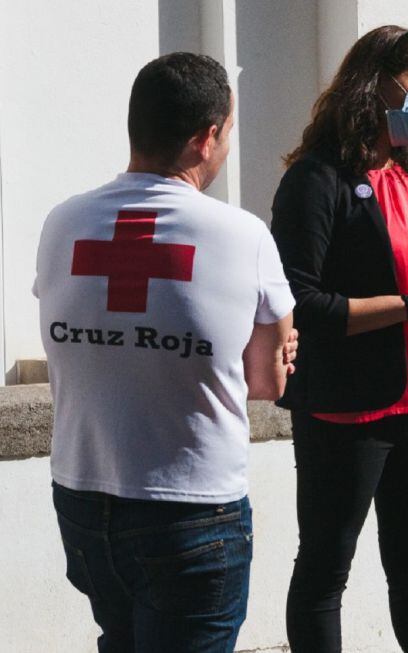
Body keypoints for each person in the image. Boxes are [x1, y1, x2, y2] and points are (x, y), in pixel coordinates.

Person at [35, 52, 298, 652]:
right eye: (228, 131)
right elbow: (266, 381)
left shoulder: (62, 222)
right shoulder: (242, 235)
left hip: (83, 497)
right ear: (207, 138)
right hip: (192, 509)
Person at [271, 25, 408, 653]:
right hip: (349, 410)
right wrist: (406, 307)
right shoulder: (316, 180)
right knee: (324, 574)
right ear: (378, 82)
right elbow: (299, 301)